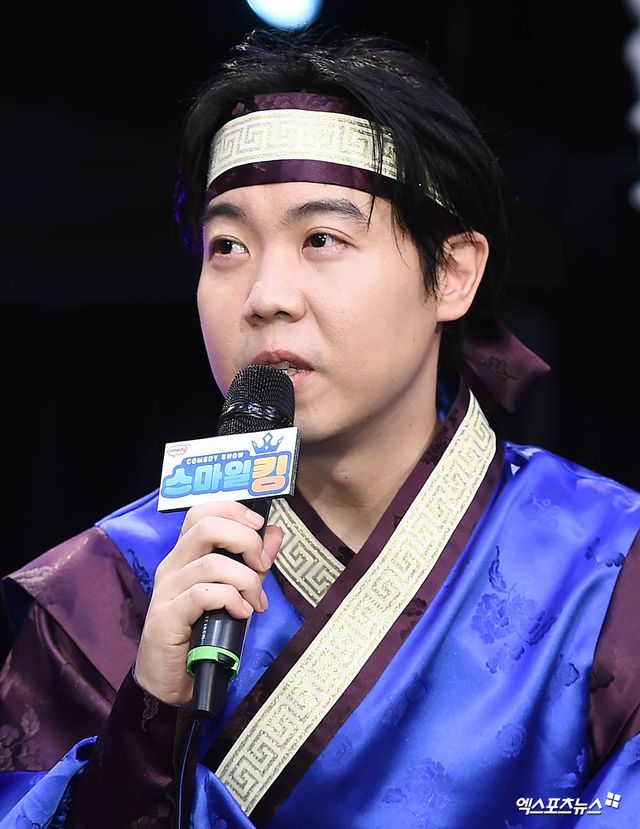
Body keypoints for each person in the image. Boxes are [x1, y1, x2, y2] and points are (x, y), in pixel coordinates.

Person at [0, 25, 639, 829]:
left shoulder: (609, 567)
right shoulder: (106, 589)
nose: (266, 295)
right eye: (227, 245)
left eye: (322, 239)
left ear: (453, 272)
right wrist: (152, 712)